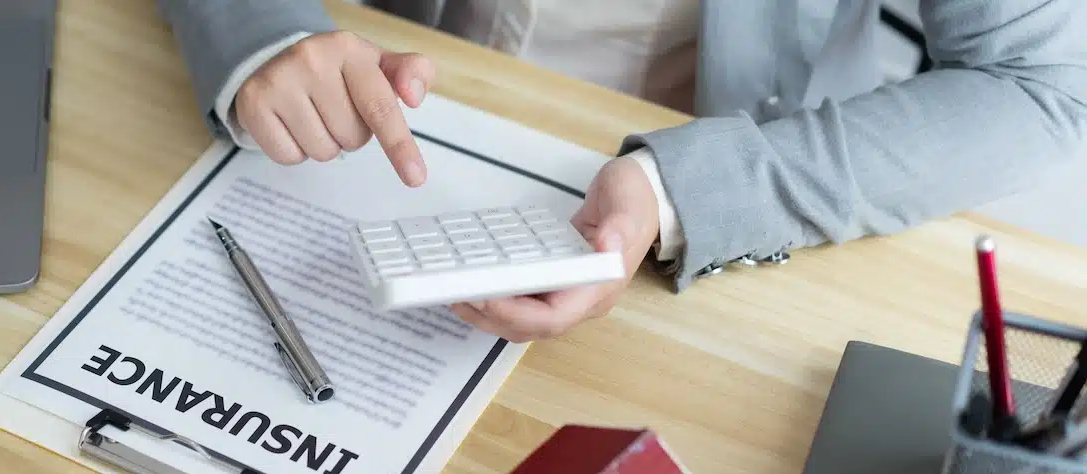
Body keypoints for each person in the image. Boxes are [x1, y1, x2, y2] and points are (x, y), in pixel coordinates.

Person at [156, 0, 1087, 342]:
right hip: (389, 85)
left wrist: (681, 193)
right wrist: (258, 30)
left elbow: (1044, 83)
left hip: (710, 154)